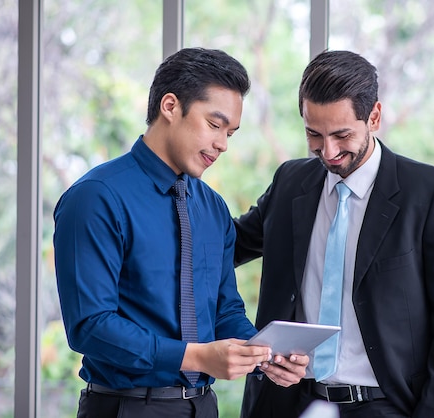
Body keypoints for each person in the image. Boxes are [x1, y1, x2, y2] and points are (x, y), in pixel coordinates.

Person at [53, 47, 308, 418]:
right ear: (170, 106)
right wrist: (197, 355)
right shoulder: (95, 198)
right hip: (125, 408)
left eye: (231, 133)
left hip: (203, 407)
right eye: (214, 124)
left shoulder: (213, 208)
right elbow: (90, 327)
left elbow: (225, 311)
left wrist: (263, 353)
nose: (222, 143)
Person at [234, 50, 434, 418]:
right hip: (288, 404)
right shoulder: (291, 182)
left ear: (374, 117)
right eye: (313, 134)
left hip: (387, 407)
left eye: (342, 135)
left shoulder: (430, 193)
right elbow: (227, 245)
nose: (328, 151)